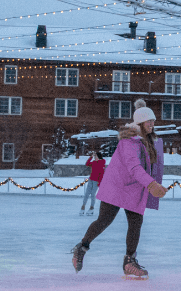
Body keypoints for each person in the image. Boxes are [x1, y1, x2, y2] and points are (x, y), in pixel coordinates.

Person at [71, 107, 168, 277]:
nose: (152, 124)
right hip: (117, 187)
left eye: (153, 121)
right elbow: (134, 168)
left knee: (136, 222)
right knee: (104, 221)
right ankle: (82, 247)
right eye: (149, 121)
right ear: (140, 123)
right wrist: (152, 185)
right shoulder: (128, 142)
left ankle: (129, 261)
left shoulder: (147, 141)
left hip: (134, 189)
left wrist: (152, 183)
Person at [79, 149, 106, 215]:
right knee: (87, 193)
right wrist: (90, 157)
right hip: (91, 180)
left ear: (98, 157)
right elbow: (87, 164)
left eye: (95, 156)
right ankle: (83, 206)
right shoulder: (93, 162)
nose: (94, 157)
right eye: (94, 156)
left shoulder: (102, 164)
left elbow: (102, 174)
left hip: (96, 181)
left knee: (93, 194)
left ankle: (92, 207)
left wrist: (99, 183)